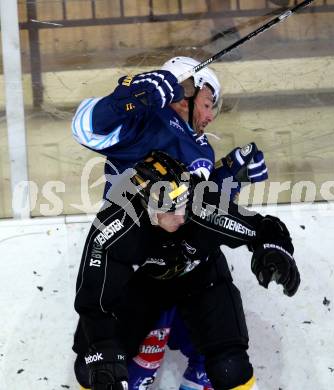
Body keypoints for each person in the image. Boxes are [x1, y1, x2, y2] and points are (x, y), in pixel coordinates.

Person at [71, 56, 268, 389]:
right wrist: (135, 95)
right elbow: (86, 128)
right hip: (134, 265)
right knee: (95, 368)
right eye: (207, 104)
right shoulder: (146, 119)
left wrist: (232, 175)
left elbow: (199, 209)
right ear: (183, 92)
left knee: (228, 366)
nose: (208, 116)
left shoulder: (202, 148)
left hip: (184, 265)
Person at [73, 150, 300, 390]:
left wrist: (275, 250)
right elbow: (94, 301)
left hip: (202, 280)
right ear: (145, 203)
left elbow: (263, 227)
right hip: (145, 288)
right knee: (94, 371)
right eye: (171, 209)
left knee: (231, 368)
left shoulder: (204, 203)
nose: (181, 217)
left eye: (184, 203)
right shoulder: (116, 224)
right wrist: (104, 352)